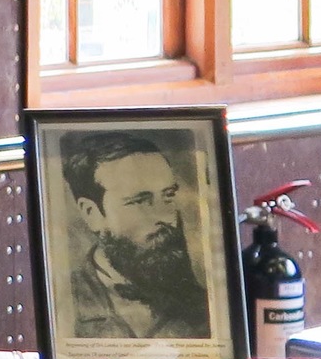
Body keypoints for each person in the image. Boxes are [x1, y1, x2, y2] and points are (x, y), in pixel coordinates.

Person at [61, 131, 211, 339]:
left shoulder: (204, 304)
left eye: (168, 196)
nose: (165, 217)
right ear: (92, 213)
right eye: (140, 201)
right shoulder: (62, 304)